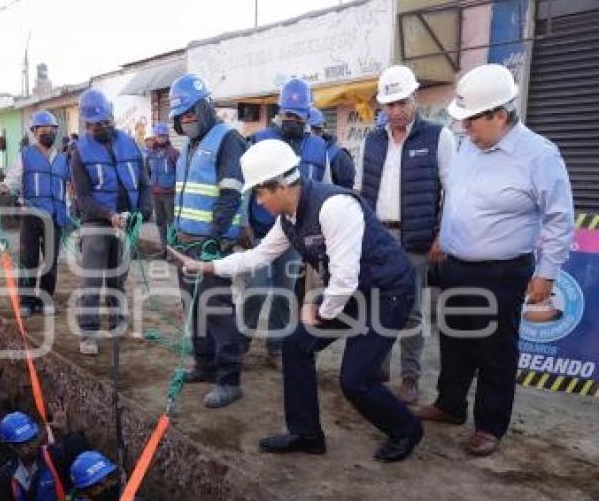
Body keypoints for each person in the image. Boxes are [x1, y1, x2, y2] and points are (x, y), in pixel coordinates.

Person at [170, 139, 424, 462]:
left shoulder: (334, 207)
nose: (259, 202)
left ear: (279, 186)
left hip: (388, 293)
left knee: (355, 379)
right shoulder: (288, 220)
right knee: (295, 345)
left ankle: (406, 429)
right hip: (351, 291)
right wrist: (204, 266)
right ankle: (306, 434)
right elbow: (257, 256)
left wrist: (318, 310)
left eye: (260, 193)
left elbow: (344, 278)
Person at [416, 64, 574, 456]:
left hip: (501, 272)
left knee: (494, 351)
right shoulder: (470, 147)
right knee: (454, 341)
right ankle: (449, 405)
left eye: (472, 121)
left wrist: (547, 274)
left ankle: (490, 425)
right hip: (456, 265)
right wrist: (444, 236)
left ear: (499, 115)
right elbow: (458, 199)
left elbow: (559, 218)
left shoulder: (539, 155)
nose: (465, 129)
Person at [355, 65, 456, 404]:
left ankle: (410, 378)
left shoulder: (437, 136)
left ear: (415, 97)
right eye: (390, 104)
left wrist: (442, 233)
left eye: (402, 102)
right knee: (373, 306)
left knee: (411, 311)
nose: (397, 111)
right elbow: (359, 189)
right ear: (382, 106)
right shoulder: (371, 141)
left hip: (414, 240)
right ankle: (376, 368)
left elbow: (451, 190)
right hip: (376, 237)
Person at [168, 73, 249, 408]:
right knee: (195, 309)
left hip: (210, 245)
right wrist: (174, 228)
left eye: (190, 114)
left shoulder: (227, 140)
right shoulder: (190, 145)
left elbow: (230, 194)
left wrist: (214, 239)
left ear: (203, 108)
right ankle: (205, 364)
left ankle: (229, 379)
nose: (186, 121)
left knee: (217, 310)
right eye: (180, 116)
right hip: (186, 241)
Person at [240, 79, 322, 368]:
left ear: (308, 114)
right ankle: (240, 343)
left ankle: (276, 346)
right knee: (256, 289)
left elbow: (321, 189)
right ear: (280, 111)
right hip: (261, 231)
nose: (291, 120)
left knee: (285, 292)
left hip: (294, 235)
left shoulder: (318, 147)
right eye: (287, 114)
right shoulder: (260, 140)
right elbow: (243, 184)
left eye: (297, 115)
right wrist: (243, 221)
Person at [71, 89, 151, 356]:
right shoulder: (79, 152)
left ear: (113, 118)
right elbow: (83, 197)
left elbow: (143, 182)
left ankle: (117, 322)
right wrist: (108, 215)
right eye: (95, 125)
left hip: (126, 223)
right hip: (97, 222)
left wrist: (144, 208)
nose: (101, 127)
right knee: (93, 281)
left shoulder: (130, 143)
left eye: (105, 122)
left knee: (118, 279)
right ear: (86, 124)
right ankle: (89, 333)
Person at [0, 111, 71, 317]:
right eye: (43, 130)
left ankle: (45, 300)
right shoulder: (25, 156)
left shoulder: (63, 159)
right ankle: (27, 301)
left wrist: (70, 210)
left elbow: (69, 187)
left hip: (54, 217)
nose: (48, 133)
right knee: (28, 260)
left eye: (52, 130)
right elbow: (12, 180)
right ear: (34, 132)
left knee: (50, 262)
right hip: (30, 215)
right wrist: (4, 186)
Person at [145, 122, 180, 257]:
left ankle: (173, 252)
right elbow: (147, 172)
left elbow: (180, 173)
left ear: (167, 136)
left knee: (172, 223)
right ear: (155, 136)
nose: (161, 138)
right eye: (159, 136)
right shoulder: (151, 155)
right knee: (160, 222)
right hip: (155, 194)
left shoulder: (174, 154)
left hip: (170, 194)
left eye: (163, 136)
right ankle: (163, 249)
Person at [307, 108, 355, 189]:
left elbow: (347, 191)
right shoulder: (296, 153)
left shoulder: (339, 155)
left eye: (318, 130)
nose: (313, 134)